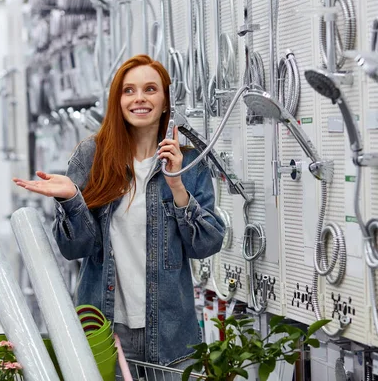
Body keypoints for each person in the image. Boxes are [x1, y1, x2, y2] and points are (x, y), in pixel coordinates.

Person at [13, 54, 225, 368]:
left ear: (165, 100)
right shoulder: (92, 156)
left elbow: (206, 246)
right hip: (104, 330)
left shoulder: (190, 162)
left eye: (150, 89)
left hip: (171, 334)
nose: (139, 98)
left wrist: (177, 183)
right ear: (118, 100)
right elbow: (74, 248)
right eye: (129, 91)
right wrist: (72, 198)